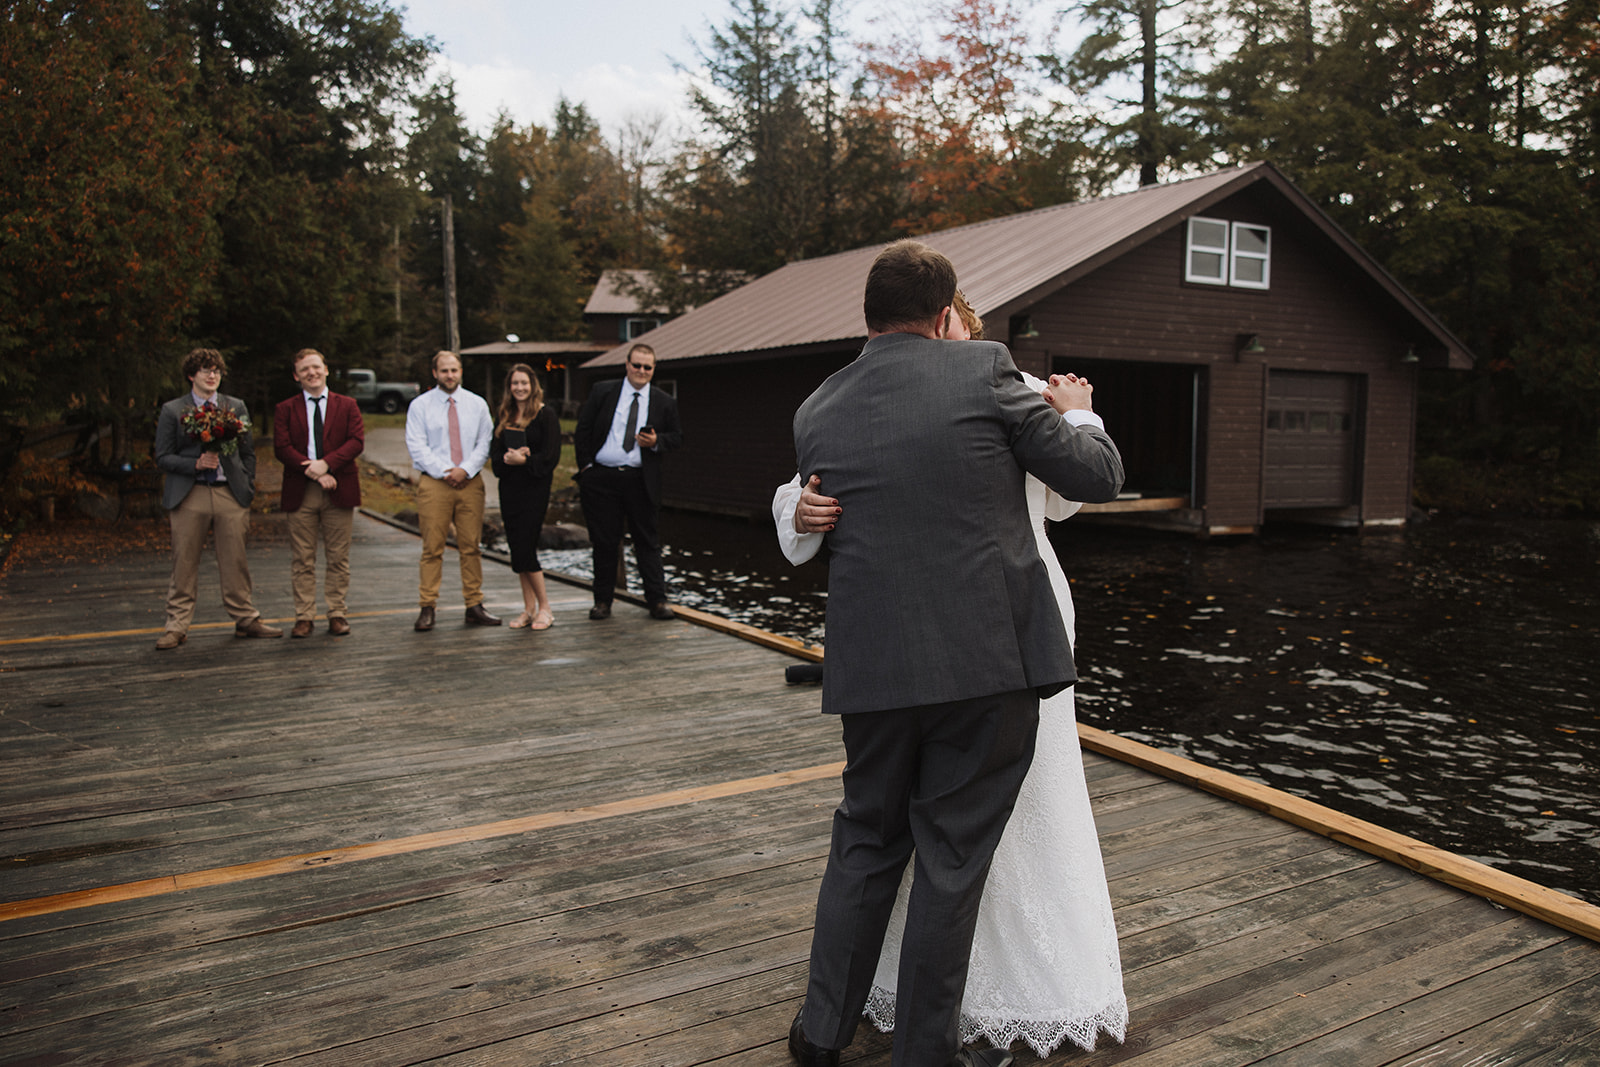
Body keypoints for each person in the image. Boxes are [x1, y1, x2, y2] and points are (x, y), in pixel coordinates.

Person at [780, 240, 1124, 1067]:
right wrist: (1077, 413)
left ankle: (818, 1032)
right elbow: (1095, 475)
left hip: (871, 668)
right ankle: (926, 1053)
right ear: (945, 316)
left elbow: (821, 511)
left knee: (864, 840)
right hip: (984, 665)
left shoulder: (817, 407)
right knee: (952, 854)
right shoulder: (985, 370)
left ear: (869, 318)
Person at [152, 348, 283, 649]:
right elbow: (162, 456)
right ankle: (177, 625)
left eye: (217, 371)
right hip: (190, 494)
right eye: (205, 371)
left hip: (229, 494)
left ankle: (245, 618)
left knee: (235, 560)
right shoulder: (174, 410)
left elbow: (248, 452)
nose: (212, 376)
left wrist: (246, 484)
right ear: (191, 375)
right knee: (184, 561)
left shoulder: (235, 407)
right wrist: (194, 464)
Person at [573, 342, 683, 621]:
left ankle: (657, 601)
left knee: (647, 542)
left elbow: (677, 437)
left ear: (653, 369)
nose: (641, 371)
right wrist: (586, 468)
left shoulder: (663, 401)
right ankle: (602, 602)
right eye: (637, 365)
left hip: (640, 480)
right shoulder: (603, 391)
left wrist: (657, 441)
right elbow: (583, 429)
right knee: (605, 542)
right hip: (602, 478)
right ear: (627, 365)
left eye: (647, 367)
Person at [404, 350, 500, 631]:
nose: (450, 375)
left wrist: (465, 469)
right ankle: (427, 606)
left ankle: (474, 605)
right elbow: (416, 444)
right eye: (444, 371)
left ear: (460, 372)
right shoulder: (420, 406)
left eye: (454, 370)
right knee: (432, 547)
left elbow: (485, 442)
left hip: (470, 481)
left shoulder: (477, 404)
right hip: (435, 482)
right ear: (435, 373)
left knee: (471, 546)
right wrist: (445, 471)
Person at [273, 348, 365, 638]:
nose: (311, 373)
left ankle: (337, 613)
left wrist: (327, 465)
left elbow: (356, 441)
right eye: (304, 370)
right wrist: (313, 470)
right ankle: (304, 616)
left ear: (326, 370)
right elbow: (282, 447)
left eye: (315, 367)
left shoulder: (347, 404)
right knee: (303, 557)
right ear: (296, 376)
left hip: (339, 487)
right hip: (301, 490)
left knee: (338, 557)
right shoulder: (285, 409)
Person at [490, 362, 563, 629]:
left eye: (524, 383)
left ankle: (546, 609)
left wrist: (525, 462)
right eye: (515, 383)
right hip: (509, 490)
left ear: (532, 386)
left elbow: (551, 457)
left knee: (527, 548)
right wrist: (508, 459)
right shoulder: (505, 415)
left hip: (534, 490)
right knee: (517, 549)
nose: (519, 388)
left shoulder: (546, 415)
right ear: (509, 387)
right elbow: (495, 458)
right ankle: (529, 609)